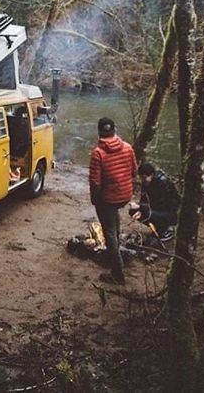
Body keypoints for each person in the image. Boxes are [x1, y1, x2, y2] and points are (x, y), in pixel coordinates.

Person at [89, 117, 137, 285]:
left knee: (109, 233)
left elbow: (95, 183)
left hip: (108, 198)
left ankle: (117, 274)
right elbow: (134, 171)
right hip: (125, 195)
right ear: (114, 131)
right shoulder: (128, 147)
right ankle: (118, 250)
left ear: (99, 132)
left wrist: (95, 200)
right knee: (113, 222)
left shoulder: (98, 153)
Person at [129, 161, 180, 242]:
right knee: (133, 211)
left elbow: (161, 205)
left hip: (168, 212)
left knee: (147, 213)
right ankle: (157, 228)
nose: (143, 180)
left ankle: (166, 228)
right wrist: (140, 209)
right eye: (141, 178)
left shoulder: (162, 183)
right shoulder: (146, 183)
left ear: (152, 175)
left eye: (144, 177)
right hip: (155, 210)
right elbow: (144, 200)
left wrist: (141, 208)